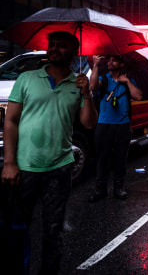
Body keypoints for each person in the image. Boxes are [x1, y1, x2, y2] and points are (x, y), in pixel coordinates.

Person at [1, 31, 98, 274]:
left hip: (59, 167)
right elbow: (10, 121)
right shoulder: (27, 78)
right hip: (24, 167)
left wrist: (87, 93)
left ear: (74, 53)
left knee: (53, 231)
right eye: (51, 45)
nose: (53, 49)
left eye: (61, 46)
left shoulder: (78, 84)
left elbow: (88, 123)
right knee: (17, 229)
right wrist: (9, 162)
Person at [88, 54, 142, 201]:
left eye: (114, 60)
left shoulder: (127, 81)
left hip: (123, 126)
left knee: (120, 159)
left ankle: (119, 188)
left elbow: (138, 96)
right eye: (109, 60)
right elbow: (92, 86)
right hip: (104, 124)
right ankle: (101, 190)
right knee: (102, 159)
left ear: (122, 64)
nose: (110, 62)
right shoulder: (103, 79)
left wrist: (128, 82)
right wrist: (95, 65)